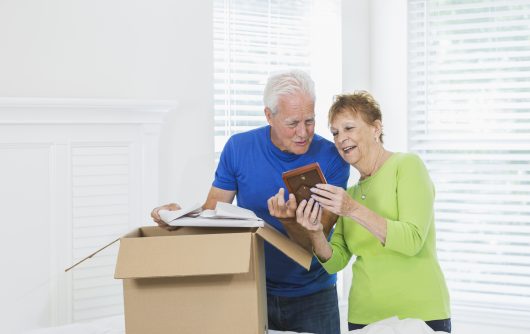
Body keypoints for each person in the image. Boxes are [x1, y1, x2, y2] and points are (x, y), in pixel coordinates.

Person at [150, 70, 350, 334]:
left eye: (310, 121)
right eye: (293, 123)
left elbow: (319, 238)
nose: (303, 132)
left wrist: (288, 220)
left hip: (313, 295)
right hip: (252, 288)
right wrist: (176, 218)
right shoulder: (239, 148)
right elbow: (212, 214)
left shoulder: (332, 157)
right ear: (269, 115)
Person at [291, 91, 451, 332]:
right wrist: (315, 232)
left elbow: (412, 240)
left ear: (376, 128)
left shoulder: (407, 166)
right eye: (335, 133)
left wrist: (353, 209)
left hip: (420, 314)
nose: (341, 138)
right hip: (365, 318)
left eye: (349, 128)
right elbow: (336, 261)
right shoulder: (350, 193)